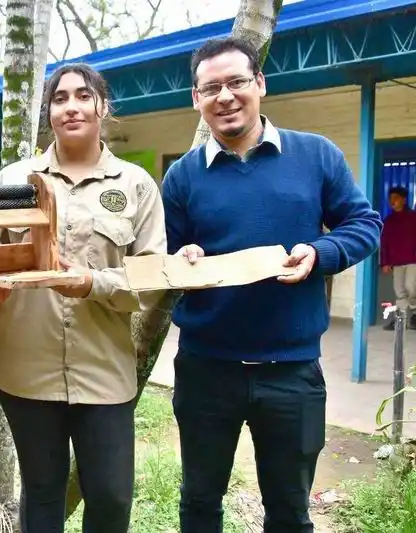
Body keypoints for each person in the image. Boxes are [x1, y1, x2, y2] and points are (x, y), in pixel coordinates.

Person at [162, 37, 382, 532]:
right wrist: (181, 261)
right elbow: (165, 256)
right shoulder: (182, 177)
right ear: (196, 99)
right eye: (211, 87)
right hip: (206, 370)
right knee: (199, 501)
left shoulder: (316, 155)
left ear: (260, 84)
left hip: (292, 372)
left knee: (289, 510)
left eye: (237, 82)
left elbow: (363, 223)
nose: (225, 96)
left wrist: (321, 252)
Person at [0, 63, 167, 533]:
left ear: (102, 106)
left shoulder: (134, 185)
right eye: (60, 98)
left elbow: (150, 281)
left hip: (104, 370)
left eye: (82, 95)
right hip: (26, 370)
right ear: (48, 111)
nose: (71, 106)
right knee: (42, 492)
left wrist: (92, 282)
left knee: (110, 497)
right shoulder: (14, 177)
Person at [380, 186, 416, 330]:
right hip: (397, 262)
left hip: (413, 260)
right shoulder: (389, 221)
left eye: (396, 198)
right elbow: (385, 243)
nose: (392, 202)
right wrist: (385, 262)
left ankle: (414, 314)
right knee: (399, 290)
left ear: (404, 200)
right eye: (390, 199)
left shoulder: (413, 217)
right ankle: (400, 318)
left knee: (411, 287)